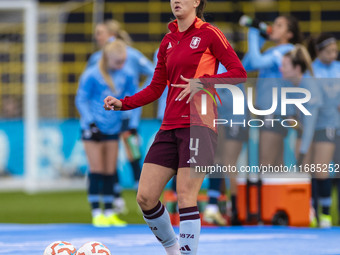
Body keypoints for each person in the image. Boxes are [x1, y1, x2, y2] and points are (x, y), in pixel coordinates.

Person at [104, 0, 246, 253]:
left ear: (196, 2)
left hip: (200, 123)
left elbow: (239, 73)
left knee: (185, 196)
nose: (176, 1)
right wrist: (123, 104)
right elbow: (156, 87)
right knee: (145, 197)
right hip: (169, 126)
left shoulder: (210, 33)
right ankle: (173, 250)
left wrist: (203, 82)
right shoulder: (167, 41)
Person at [88, 20, 155, 213]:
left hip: (127, 113)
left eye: (99, 32)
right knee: (110, 154)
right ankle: (116, 198)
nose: (96, 36)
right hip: (106, 115)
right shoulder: (96, 59)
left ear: (111, 34)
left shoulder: (130, 55)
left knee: (132, 154)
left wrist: (138, 95)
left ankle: (142, 196)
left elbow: (154, 73)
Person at [76, 39, 135, 227]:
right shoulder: (92, 74)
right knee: (97, 170)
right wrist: (89, 122)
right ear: (108, 59)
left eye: (124, 61)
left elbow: (132, 99)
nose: (122, 65)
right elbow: (81, 99)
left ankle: (109, 211)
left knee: (110, 170)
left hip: (113, 127)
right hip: (93, 127)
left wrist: (129, 120)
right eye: (118, 62)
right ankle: (96, 212)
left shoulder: (126, 74)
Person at [243, 15, 302, 169]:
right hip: (270, 110)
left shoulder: (288, 51)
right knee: (276, 164)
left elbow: (256, 62)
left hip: (275, 111)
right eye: (274, 23)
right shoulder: (272, 50)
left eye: (279, 25)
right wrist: (260, 40)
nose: (273, 27)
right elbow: (246, 66)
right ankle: (278, 193)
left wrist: (253, 33)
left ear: (289, 34)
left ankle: (267, 193)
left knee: (265, 163)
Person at [203, 64, 248, 226]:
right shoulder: (216, 64)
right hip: (224, 117)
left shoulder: (223, 65)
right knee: (218, 160)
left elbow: (226, 99)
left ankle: (234, 209)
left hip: (235, 119)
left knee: (228, 163)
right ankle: (215, 205)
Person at [308, 33, 340, 227]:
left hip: (336, 125)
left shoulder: (338, 68)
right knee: (320, 171)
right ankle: (323, 215)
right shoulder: (312, 71)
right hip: (321, 126)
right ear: (319, 51)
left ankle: (328, 215)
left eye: (336, 51)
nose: (334, 55)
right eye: (329, 51)